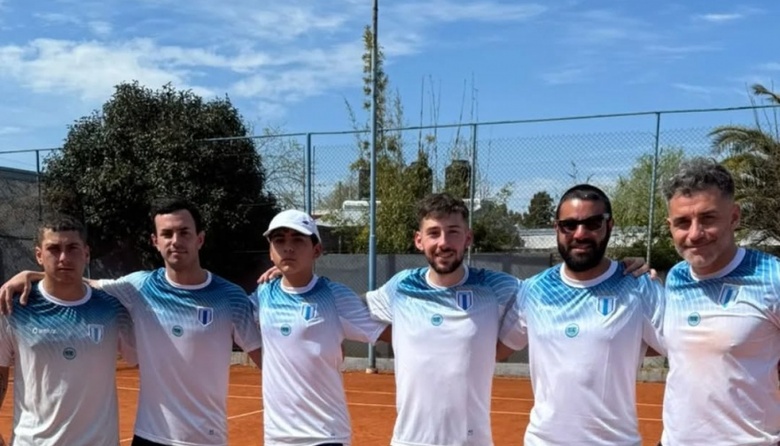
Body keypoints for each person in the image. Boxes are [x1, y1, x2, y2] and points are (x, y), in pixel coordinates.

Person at [0, 198, 263, 446]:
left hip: (207, 438)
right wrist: (31, 274)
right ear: (155, 241)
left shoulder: (230, 297)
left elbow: (269, 361)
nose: (176, 241)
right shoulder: (138, 287)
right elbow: (77, 280)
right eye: (167, 234)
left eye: (184, 232)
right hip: (148, 436)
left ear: (200, 239)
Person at [497, 184, 665, 445]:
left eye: (593, 223)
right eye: (569, 225)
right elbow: (492, 349)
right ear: (557, 228)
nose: (580, 233)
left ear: (609, 226)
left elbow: (686, 350)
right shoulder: (533, 290)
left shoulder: (639, 285)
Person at [660, 157, 780, 445]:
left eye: (708, 218)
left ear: (734, 217)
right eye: (682, 223)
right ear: (670, 226)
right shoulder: (674, 278)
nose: (695, 234)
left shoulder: (773, 277)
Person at [255, 209, 390, 446]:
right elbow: (227, 324)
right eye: (279, 241)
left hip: (325, 435)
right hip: (277, 438)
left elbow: (393, 334)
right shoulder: (262, 294)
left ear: (316, 250)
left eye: (298, 240)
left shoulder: (335, 296)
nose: (288, 247)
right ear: (271, 251)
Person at [0, 215, 136, 446]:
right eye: (54, 249)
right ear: (39, 255)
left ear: (86, 253)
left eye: (72, 248)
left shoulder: (113, 308)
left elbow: (143, 361)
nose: (64, 257)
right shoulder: (13, 306)